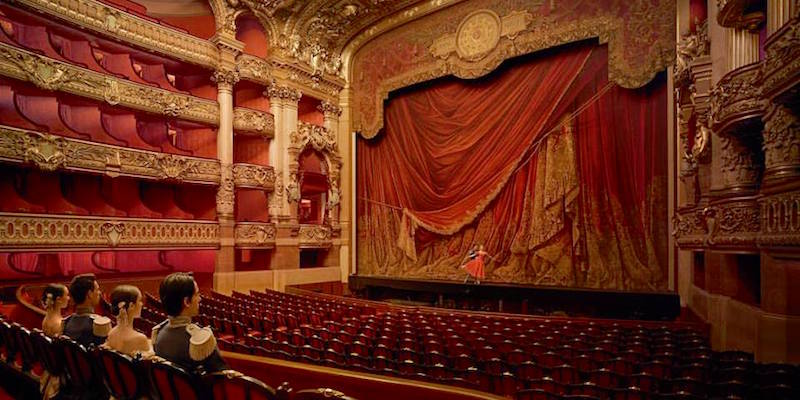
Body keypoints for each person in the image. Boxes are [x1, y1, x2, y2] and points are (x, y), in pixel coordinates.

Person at [152, 272, 227, 373]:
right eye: (197, 294)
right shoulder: (200, 340)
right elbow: (222, 375)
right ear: (186, 301)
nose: (200, 299)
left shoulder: (158, 332)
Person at [104, 285, 153, 357]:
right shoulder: (140, 338)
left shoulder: (111, 333)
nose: (141, 304)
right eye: (139, 300)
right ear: (131, 306)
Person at [63, 273, 109, 347]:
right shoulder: (99, 324)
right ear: (89, 294)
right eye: (97, 290)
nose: (99, 293)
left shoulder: (65, 322)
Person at [40, 283, 69, 399]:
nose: (69, 298)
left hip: (50, 366)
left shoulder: (47, 318)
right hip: (59, 370)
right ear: (58, 300)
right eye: (67, 295)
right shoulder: (58, 324)